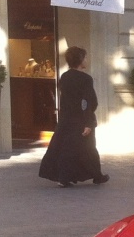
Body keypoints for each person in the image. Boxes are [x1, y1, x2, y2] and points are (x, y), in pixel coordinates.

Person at [39, 47, 107, 187]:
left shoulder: (64, 77)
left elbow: (65, 99)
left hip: (66, 119)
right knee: (87, 148)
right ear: (80, 60)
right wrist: (88, 122)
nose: (86, 60)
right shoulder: (85, 79)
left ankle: (87, 175)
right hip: (81, 119)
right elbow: (87, 101)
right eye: (85, 57)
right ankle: (93, 175)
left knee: (66, 147)